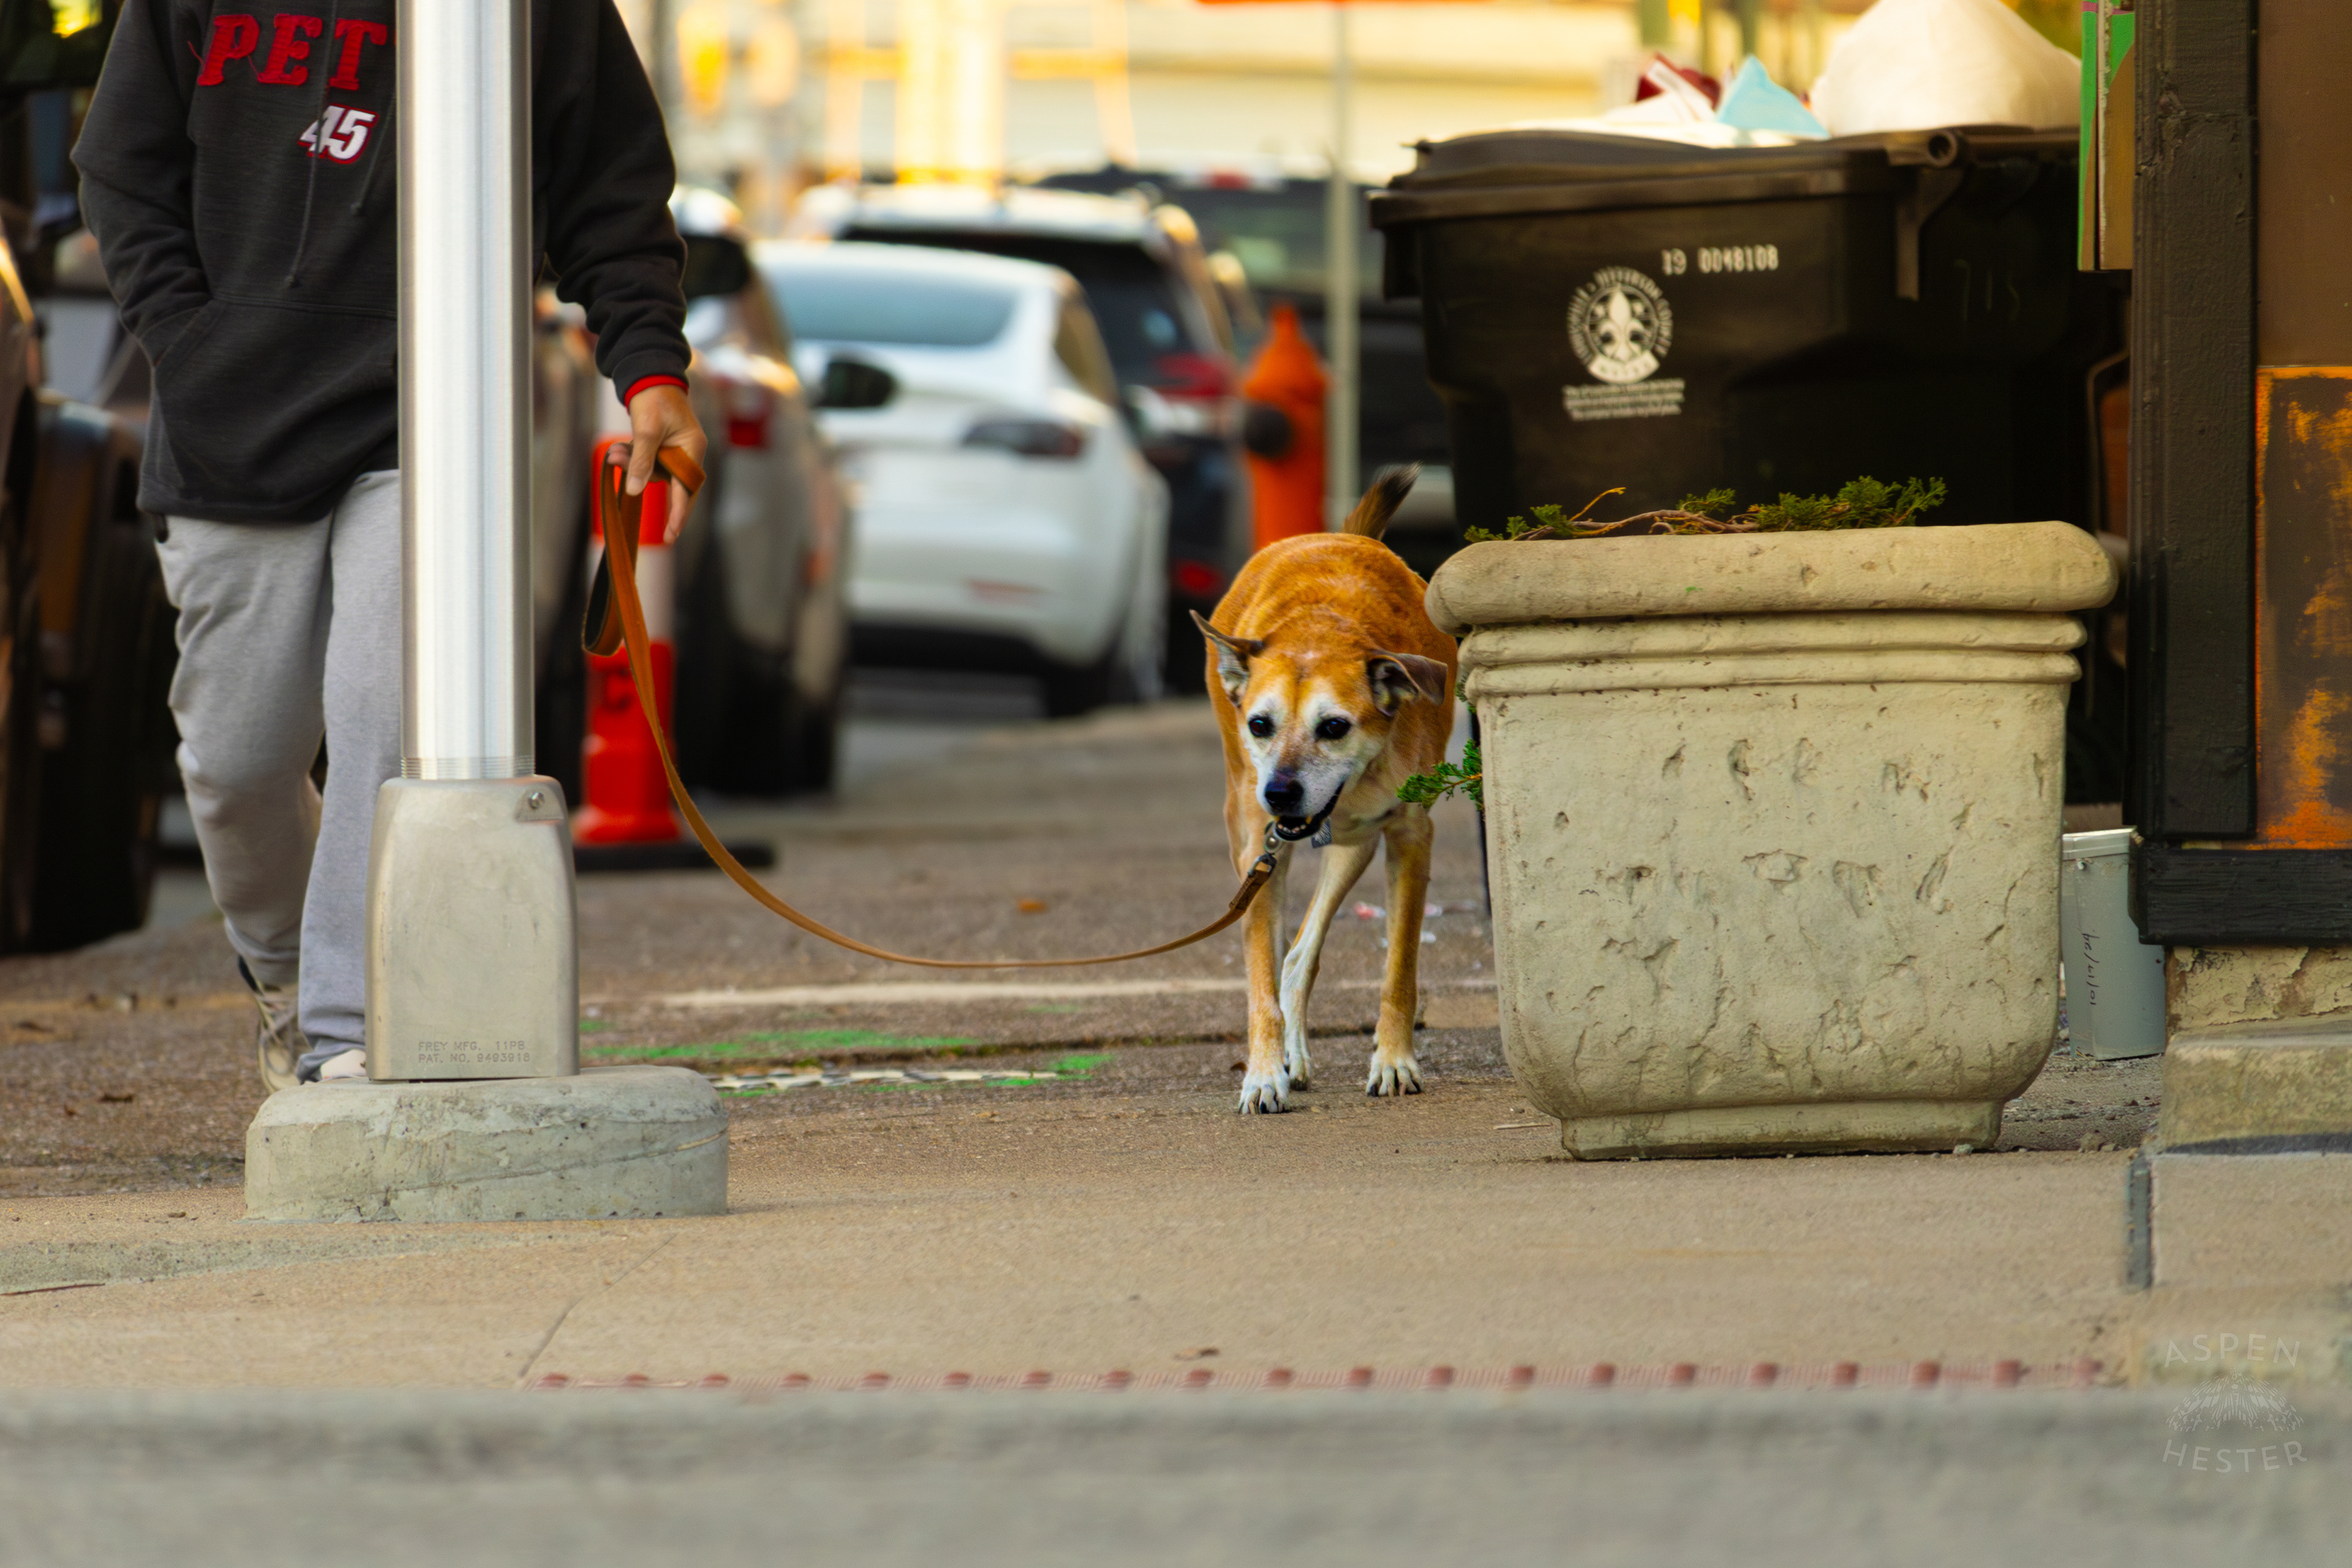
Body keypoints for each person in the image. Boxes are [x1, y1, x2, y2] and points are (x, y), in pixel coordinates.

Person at [73, 1, 707, 1090]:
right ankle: (284, 979)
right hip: (233, 422)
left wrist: (651, 373)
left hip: (430, 427)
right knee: (236, 766)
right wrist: (194, 343)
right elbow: (120, 168)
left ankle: (343, 1034)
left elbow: (612, 186)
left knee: (384, 734)